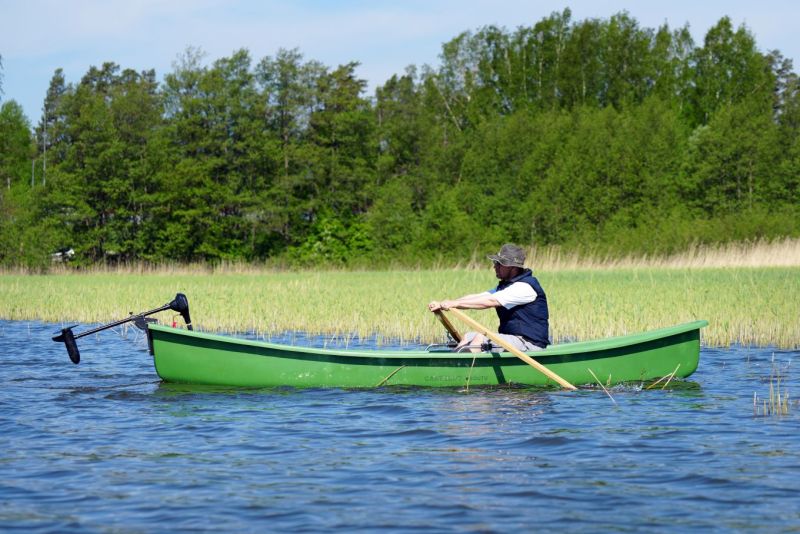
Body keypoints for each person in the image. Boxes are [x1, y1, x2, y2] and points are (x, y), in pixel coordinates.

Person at [427, 243, 549, 353]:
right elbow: (480, 297)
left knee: (481, 338)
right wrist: (448, 303)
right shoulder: (507, 286)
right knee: (468, 337)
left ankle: (461, 366)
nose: (494, 266)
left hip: (529, 344)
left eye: (499, 263)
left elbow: (490, 301)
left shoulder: (524, 287)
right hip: (512, 339)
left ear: (512, 267)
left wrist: (455, 304)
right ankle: (452, 364)